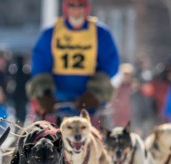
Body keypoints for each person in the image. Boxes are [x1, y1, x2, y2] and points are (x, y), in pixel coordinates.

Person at [27, 0, 119, 128]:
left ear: (87, 8)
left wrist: (96, 91)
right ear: (65, 7)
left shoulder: (100, 33)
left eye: (80, 5)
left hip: (89, 104)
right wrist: (44, 93)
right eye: (72, 5)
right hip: (55, 104)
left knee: (101, 141)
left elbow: (110, 64)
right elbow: (40, 64)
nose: (76, 10)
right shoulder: (51, 33)